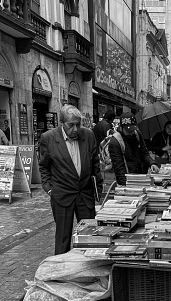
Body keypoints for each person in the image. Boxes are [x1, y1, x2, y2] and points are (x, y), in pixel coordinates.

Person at [39, 104, 103, 255]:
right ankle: (61, 270)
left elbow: (95, 164)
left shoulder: (88, 135)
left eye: (78, 124)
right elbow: (44, 166)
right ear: (62, 123)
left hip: (85, 194)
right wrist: (49, 189)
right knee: (63, 237)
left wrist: (97, 189)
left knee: (89, 235)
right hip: (62, 195)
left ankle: (87, 267)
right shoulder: (48, 138)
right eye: (71, 125)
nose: (75, 129)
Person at [108, 112, 159, 186]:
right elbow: (119, 170)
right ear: (121, 128)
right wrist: (128, 187)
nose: (132, 133)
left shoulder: (137, 134)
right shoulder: (115, 142)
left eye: (133, 129)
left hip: (141, 177)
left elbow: (144, 153)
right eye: (129, 131)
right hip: (127, 181)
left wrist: (152, 163)